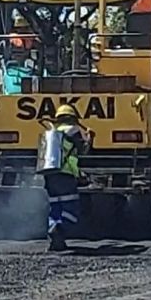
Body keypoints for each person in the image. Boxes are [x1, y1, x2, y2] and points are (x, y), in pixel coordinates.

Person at [45, 103, 90, 252]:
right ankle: (60, 227)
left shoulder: (54, 132)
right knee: (71, 207)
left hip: (50, 176)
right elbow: (83, 151)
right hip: (65, 176)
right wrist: (89, 139)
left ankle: (55, 237)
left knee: (55, 206)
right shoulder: (74, 130)